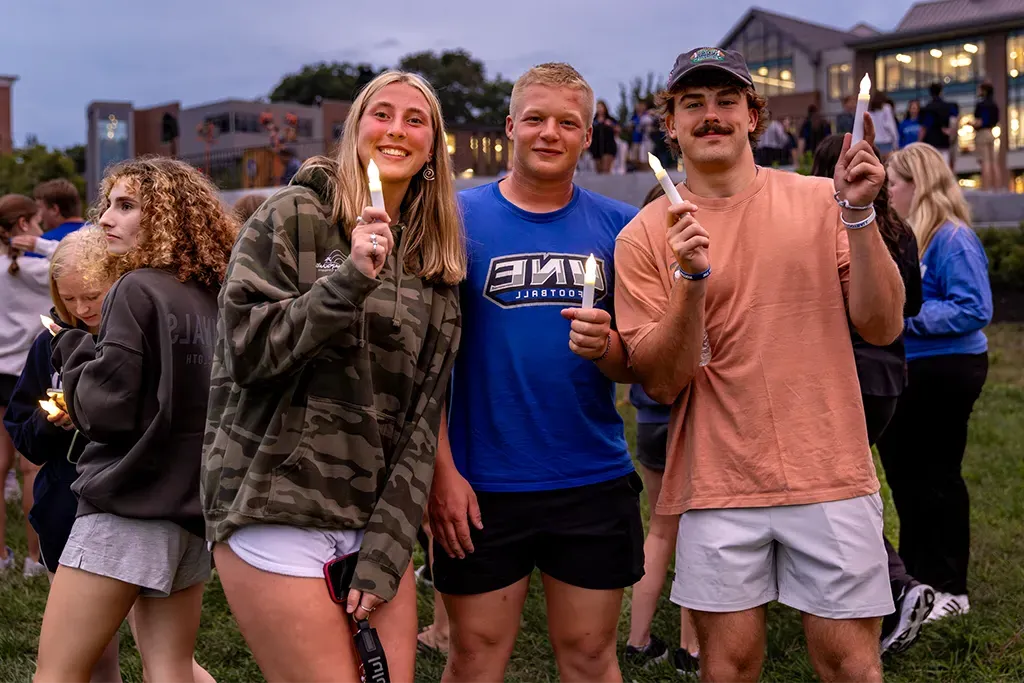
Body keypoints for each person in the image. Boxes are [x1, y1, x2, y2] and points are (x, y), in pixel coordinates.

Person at [614, 46, 905, 683]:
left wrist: (859, 214)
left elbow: (882, 325)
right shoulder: (641, 236)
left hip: (829, 469)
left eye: (726, 101)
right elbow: (661, 383)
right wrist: (690, 283)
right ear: (671, 124)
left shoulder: (820, 200)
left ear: (754, 116)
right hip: (716, 483)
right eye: (693, 104)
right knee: (730, 665)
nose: (710, 115)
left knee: (850, 663)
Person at [203, 70, 465, 683]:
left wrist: (389, 546)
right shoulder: (292, 215)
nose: (397, 129)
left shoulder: (435, 263)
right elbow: (244, 353)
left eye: (415, 118)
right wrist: (346, 280)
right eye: (382, 113)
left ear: (433, 148)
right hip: (275, 502)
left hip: (373, 516)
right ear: (354, 130)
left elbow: (420, 421)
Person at [428, 62, 643, 683]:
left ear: (587, 133)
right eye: (536, 119)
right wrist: (443, 472)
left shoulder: (619, 227)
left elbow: (640, 364)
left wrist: (608, 347)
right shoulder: (454, 219)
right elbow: (424, 366)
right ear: (510, 128)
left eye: (567, 122)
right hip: (480, 483)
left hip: (590, 476)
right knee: (474, 656)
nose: (550, 133)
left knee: (589, 656)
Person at [32, 157, 236, 683]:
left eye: (127, 206)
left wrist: (72, 347)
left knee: (55, 674)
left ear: (166, 215)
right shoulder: (211, 294)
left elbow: (104, 410)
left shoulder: (136, 287)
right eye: (108, 205)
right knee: (170, 669)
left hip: (127, 504)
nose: (106, 218)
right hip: (191, 510)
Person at [811, 135, 936, 655]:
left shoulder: (827, 225)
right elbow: (911, 305)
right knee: (847, 484)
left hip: (843, 375)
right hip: (889, 380)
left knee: (833, 491)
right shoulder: (900, 230)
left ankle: (894, 588)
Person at [878, 143, 992, 623]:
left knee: (939, 476)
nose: (887, 191)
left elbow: (974, 308)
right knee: (907, 478)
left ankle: (952, 586)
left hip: (948, 370)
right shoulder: (913, 236)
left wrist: (906, 318)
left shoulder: (952, 237)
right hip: (914, 370)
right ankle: (919, 578)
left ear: (918, 184)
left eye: (894, 183)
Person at [624, 182, 701, 677]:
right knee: (697, 529)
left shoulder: (638, 263)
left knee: (659, 527)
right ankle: (693, 650)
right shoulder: (688, 265)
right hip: (684, 416)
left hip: (647, 419)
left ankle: (637, 639)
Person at [0, 193, 51, 578]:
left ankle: (1, 557)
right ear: (22, 226)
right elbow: (81, 261)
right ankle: (35, 559)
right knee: (31, 470)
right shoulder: (35, 270)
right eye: (36, 223)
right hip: (24, 375)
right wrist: (41, 246)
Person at [9, 179, 88, 259]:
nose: (39, 216)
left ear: (54, 209)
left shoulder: (39, 246)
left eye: (40, 207)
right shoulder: (96, 233)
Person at [920, 83, 959, 170]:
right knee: (945, 168)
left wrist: (919, 142)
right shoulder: (948, 107)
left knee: (932, 169)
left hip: (930, 144)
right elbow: (955, 121)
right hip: (944, 142)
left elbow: (924, 128)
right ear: (941, 92)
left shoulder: (928, 108)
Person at [973, 82, 1001, 190]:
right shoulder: (994, 105)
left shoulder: (981, 105)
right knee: (994, 162)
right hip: (991, 133)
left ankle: (986, 188)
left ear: (984, 91)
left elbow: (979, 122)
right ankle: (997, 188)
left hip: (982, 134)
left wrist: (971, 124)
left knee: (985, 162)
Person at [591, 100, 620, 174]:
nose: (599, 109)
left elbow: (618, 129)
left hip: (608, 147)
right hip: (596, 147)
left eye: (601, 107)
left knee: (605, 169)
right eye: (598, 107)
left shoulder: (610, 119)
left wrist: (611, 125)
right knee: (598, 170)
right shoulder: (593, 121)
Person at [868, 92, 900, 158]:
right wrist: (896, 142)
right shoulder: (886, 108)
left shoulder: (869, 111)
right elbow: (891, 126)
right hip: (886, 142)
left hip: (875, 142)